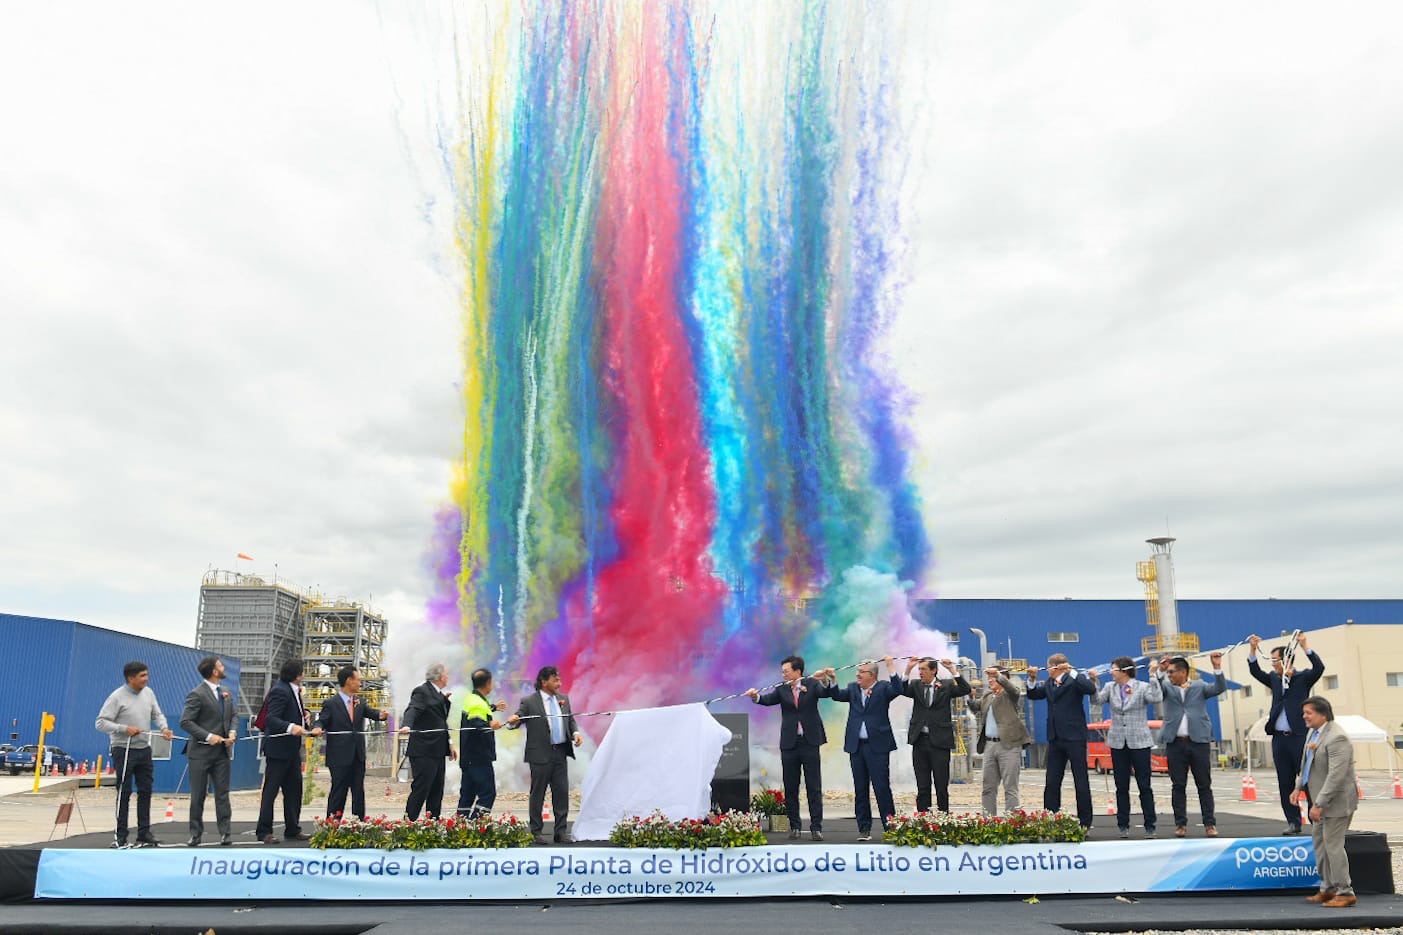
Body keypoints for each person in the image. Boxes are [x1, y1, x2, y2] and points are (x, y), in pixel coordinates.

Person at [817, 657, 902, 841]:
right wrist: (832, 678)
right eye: (858, 672)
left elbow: (898, 689)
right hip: (857, 746)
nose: (857, 675)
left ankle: (891, 827)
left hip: (877, 746)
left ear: (872, 675)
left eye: (861, 672)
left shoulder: (883, 688)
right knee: (860, 789)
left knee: (881, 787)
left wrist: (890, 667)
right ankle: (864, 829)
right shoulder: (853, 689)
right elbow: (837, 695)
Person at [1249, 632, 1325, 835]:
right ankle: (1293, 822)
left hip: (1299, 736)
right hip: (1279, 738)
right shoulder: (1274, 679)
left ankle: (1314, 817)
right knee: (1285, 782)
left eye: (1275, 659)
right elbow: (1256, 672)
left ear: (1286, 659)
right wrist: (1253, 650)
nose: (1272, 663)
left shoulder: (1303, 678)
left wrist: (1305, 645)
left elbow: (1320, 668)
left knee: (1308, 779)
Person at [746, 655, 827, 840]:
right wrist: (755, 696)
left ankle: (816, 827)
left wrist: (826, 680)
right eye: (782, 671)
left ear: (797, 671)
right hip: (790, 744)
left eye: (786, 671)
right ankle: (795, 826)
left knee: (814, 786)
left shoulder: (812, 684)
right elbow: (766, 700)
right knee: (791, 787)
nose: (783, 674)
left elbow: (825, 692)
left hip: (810, 742)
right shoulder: (782, 689)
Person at [95, 660, 174, 848]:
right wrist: (124, 728)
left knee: (146, 790)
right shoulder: (116, 697)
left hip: (143, 749)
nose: (146, 679)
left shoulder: (149, 693)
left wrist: (164, 728)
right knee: (124, 792)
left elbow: (157, 714)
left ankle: (144, 833)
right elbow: (100, 723)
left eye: (146, 675)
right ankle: (120, 835)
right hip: (123, 749)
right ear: (131, 678)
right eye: (142, 676)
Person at [1291, 696, 1358, 907]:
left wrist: (1319, 803)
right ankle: (1328, 888)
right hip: (1318, 802)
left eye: (1308, 713)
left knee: (1333, 846)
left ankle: (1345, 892)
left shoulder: (1338, 738)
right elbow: (1306, 765)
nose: (1304, 717)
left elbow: (1336, 776)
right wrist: (1298, 788)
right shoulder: (1314, 732)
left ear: (1323, 714)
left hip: (1335, 802)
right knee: (1319, 844)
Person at [508, 665, 583, 844]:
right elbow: (519, 718)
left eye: (559, 679)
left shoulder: (563, 699)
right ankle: (536, 832)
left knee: (561, 793)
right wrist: (513, 722)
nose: (559, 683)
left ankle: (560, 832)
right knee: (538, 794)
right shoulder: (529, 701)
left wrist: (575, 733)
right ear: (544, 681)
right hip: (540, 755)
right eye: (555, 680)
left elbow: (570, 720)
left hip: (560, 753)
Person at [1154, 653, 1227, 837]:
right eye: (1168, 672)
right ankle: (1180, 824)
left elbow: (1219, 688)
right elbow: (1156, 692)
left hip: (1198, 742)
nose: (1170, 675)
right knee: (1178, 785)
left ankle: (1209, 824)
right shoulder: (1167, 687)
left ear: (1183, 672)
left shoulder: (1200, 686)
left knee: (1204, 785)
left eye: (1172, 672)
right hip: (1175, 743)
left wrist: (1217, 667)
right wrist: (1159, 673)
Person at [1092, 656, 1162, 838]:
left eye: (1113, 668)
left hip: (1139, 741)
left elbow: (1156, 697)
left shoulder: (1142, 686)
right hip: (1117, 742)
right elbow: (1097, 701)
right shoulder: (1110, 688)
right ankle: (1123, 824)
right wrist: (1094, 682)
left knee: (1144, 785)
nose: (1110, 672)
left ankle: (1150, 825)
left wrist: (1153, 675)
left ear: (1124, 670)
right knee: (1121, 786)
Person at [1026, 653, 1097, 829]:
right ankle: (1050, 818)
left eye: (1049, 667)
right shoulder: (1049, 684)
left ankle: (1085, 822)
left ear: (1057, 667)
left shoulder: (1075, 681)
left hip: (1074, 737)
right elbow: (1034, 694)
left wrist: (1071, 671)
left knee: (1080, 781)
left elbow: (1090, 689)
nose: (1047, 670)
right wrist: (1032, 679)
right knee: (1052, 780)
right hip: (1055, 737)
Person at [256, 659, 323, 844]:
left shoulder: (293, 690)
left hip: (292, 750)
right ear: (298, 674)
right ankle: (264, 831)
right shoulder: (280, 690)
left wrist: (305, 717)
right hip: (278, 751)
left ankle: (293, 829)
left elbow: (290, 712)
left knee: (294, 790)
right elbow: (272, 719)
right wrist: (291, 726)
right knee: (271, 791)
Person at [899, 656, 972, 814]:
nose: (920, 673)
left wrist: (953, 670)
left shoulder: (945, 685)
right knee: (922, 784)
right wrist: (908, 669)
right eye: (919, 669)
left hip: (940, 742)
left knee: (941, 783)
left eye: (924, 669)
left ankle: (943, 815)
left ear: (934, 671)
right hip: (920, 741)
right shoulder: (915, 685)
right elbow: (900, 689)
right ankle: (923, 816)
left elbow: (965, 689)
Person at [316, 665, 388, 821]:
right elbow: (322, 720)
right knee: (338, 791)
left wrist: (381, 715)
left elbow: (372, 713)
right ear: (349, 681)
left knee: (358, 792)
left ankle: (359, 825)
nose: (360, 683)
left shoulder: (359, 702)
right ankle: (332, 825)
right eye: (358, 680)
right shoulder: (331, 703)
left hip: (357, 756)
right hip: (339, 757)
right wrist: (317, 728)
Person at [179, 656, 237, 846]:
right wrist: (207, 736)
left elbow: (233, 715)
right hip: (200, 754)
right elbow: (186, 721)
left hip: (222, 753)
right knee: (198, 795)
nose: (223, 667)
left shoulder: (226, 692)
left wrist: (232, 731)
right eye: (220, 665)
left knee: (223, 794)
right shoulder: (197, 694)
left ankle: (225, 833)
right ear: (214, 671)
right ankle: (195, 834)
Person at [967, 666, 1032, 816]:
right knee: (988, 786)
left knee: (1010, 786)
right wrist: (971, 697)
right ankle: (988, 821)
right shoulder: (988, 696)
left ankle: (1012, 821)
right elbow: (975, 707)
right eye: (989, 677)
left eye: (993, 677)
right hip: (989, 745)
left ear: (1003, 679)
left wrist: (999, 675)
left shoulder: (1010, 695)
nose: (990, 680)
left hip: (1008, 745)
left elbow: (1014, 690)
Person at [400, 662, 456, 821]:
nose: (448, 677)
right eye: (446, 673)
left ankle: (433, 822)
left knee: (437, 790)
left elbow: (441, 722)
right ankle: (408, 822)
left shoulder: (439, 695)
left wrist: (450, 743)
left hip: (438, 750)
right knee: (421, 788)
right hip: (423, 750)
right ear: (439, 676)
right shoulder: (422, 691)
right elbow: (413, 709)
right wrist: (407, 725)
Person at [456, 667, 508, 818]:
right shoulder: (478, 703)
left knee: (467, 796)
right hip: (479, 758)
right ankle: (476, 825)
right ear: (488, 683)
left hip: (468, 758)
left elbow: (477, 714)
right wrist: (489, 725)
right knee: (488, 794)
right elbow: (477, 723)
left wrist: (493, 707)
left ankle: (460, 828)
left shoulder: (472, 699)